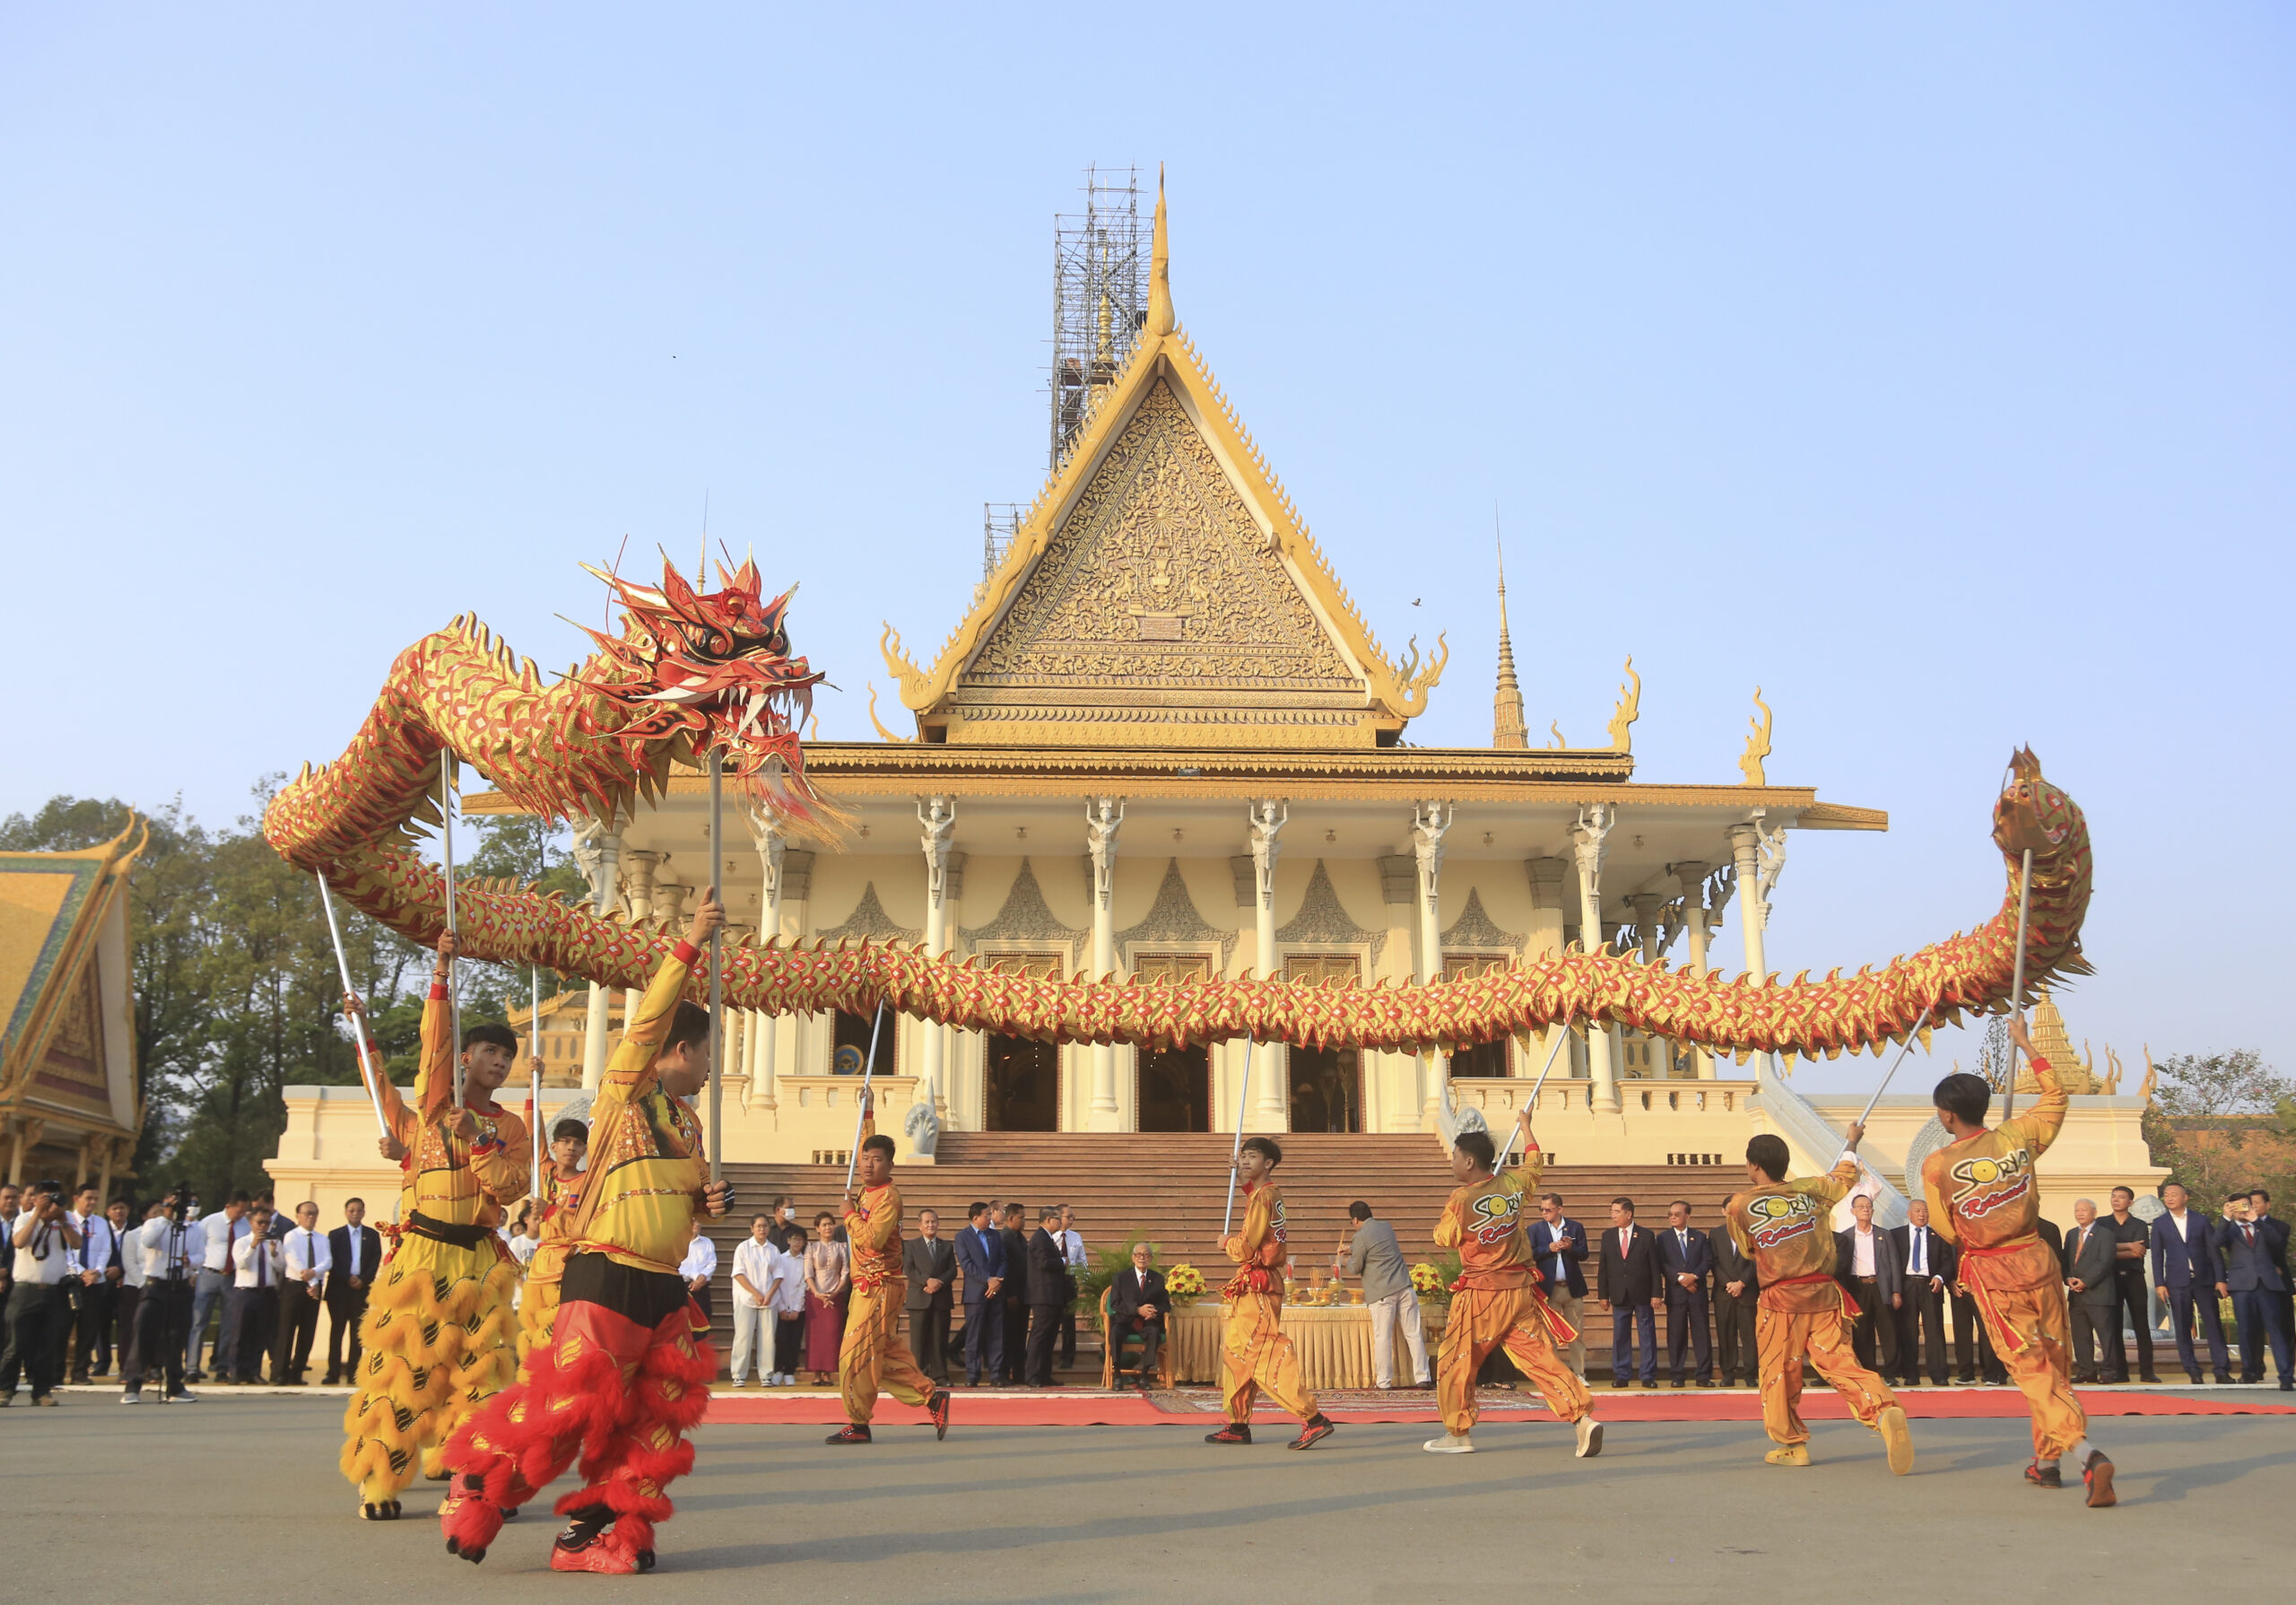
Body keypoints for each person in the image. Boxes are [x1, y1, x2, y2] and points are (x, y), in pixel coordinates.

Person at [437, 886, 734, 1574]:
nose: (715, 1064)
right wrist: (688, 942)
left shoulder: (688, 1125)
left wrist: (706, 1201)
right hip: (605, 1272)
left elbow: (678, 1208)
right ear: (679, 1048)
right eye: (711, 1050)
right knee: (570, 1411)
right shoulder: (625, 1094)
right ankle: (481, 1481)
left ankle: (593, 1535)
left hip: (663, 1285)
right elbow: (644, 1026)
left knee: (652, 1422)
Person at [338, 928, 531, 1522]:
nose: (498, 1063)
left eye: (507, 1058)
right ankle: (379, 1481)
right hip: (422, 1254)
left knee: (482, 1374)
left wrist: (478, 1142)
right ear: (467, 1057)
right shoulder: (432, 1106)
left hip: (479, 1258)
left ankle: (476, 1474)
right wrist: (440, 973)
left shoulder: (512, 1127)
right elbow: (427, 1052)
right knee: (407, 1371)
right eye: (489, 1054)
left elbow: (510, 1186)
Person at [1921, 1016, 2114, 1505]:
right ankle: (2047, 1464)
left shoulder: (1939, 1164)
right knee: (2053, 1362)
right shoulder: (2019, 1136)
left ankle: (2084, 1451)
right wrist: (2027, 1044)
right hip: (2039, 1258)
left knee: (2030, 1369)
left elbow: (1944, 1226)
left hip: (1993, 1269)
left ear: (1946, 1115)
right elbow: (2057, 1097)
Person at [1724, 1127, 1912, 1473]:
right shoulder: (1812, 1190)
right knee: (1841, 1362)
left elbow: (1749, 1250)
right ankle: (1883, 1410)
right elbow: (1845, 1173)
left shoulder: (1740, 1205)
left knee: (1778, 1371)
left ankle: (1792, 1444)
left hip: (1780, 1299)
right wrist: (1852, 1139)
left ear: (1753, 1166)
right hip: (1825, 1294)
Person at [1422, 1109, 1603, 1458]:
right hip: (1519, 1293)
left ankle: (1458, 1432)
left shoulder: (1461, 1199)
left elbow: (1444, 1237)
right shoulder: (1514, 1186)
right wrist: (1526, 1127)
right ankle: (1581, 1418)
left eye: (1456, 1158)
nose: (1452, 1163)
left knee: (1455, 1359)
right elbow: (1534, 1163)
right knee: (1540, 1358)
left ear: (1470, 1161)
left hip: (1481, 1295)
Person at [1204, 1136, 1336, 1449]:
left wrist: (1228, 1244)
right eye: (1243, 1156)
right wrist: (1242, 1180)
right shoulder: (1261, 1194)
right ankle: (1238, 1423)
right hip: (1252, 1284)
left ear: (1269, 1163)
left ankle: (1313, 1418)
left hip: (1259, 1284)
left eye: (1252, 1157)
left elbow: (1247, 1246)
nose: (1245, 1161)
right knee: (1236, 1354)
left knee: (1264, 1353)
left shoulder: (1265, 1196)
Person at [824, 1132, 951, 1443]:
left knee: (854, 1354)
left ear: (890, 1165)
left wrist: (848, 1215)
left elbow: (873, 1238)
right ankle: (932, 1397)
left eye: (876, 1160)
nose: (868, 1165)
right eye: (865, 1158)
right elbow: (864, 1133)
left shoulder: (888, 1198)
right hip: (865, 1286)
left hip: (879, 1286)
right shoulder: (868, 1191)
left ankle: (859, 1422)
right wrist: (867, 1107)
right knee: (882, 1355)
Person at [4, 1179, 83, 1406]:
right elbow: (19, 1242)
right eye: (46, 1198)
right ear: (35, 1199)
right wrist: (38, 1214)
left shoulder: (64, 1221)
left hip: (53, 1291)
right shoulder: (24, 1218)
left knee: (48, 1345)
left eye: (54, 1197)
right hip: (25, 1290)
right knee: (16, 1345)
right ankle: (5, 1390)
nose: (50, 1203)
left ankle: (41, 1392)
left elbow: (77, 1244)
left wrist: (63, 1219)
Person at [516, 1115, 587, 1362]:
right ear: (554, 1146)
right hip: (540, 1264)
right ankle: (532, 1384)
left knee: (561, 1331)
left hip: (569, 1263)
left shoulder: (587, 1182)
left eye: (577, 1143)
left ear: (584, 1150)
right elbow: (533, 1130)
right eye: (565, 1141)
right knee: (533, 1329)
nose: (571, 1147)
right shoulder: (544, 1171)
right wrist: (534, 1079)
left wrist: (549, 1211)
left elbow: (583, 1227)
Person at [1337, 1199, 1430, 1389]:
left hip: (1382, 1293)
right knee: (1414, 1334)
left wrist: (1343, 1259)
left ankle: (1384, 1381)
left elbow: (1355, 1267)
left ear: (1355, 1220)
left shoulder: (1360, 1237)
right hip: (1404, 1286)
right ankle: (1423, 1377)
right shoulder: (1386, 1227)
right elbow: (1377, 1247)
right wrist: (1352, 1248)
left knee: (1383, 1338)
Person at [121, 1187, 201, 1403]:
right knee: (144, 1333)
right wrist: (166, 1219)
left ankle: (175, 1385)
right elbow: (148, 1242)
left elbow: (201, 1254)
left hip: (181, 1285)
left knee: (177, 1336)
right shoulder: (153, 1224)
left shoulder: (194, 1229)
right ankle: (133, 1385)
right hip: (156, 1285)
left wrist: (190, 1262)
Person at [2149, 1181, 2231, 1384]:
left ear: (2185, 1198)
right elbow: (2157, 1256)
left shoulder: (2200, 1220)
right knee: (2183, 1327)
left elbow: (2214, 1252)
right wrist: (2160, 1283)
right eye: (2166, 1194)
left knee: (2213, 1325)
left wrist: (2220, 1279)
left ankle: (2221, 1370)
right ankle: (2193, 1369)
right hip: (2176, 1283)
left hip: (2203, 1280)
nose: (2169, 1198)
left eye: (2174, 1194)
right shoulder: (2160, 1223)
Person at [2218, 1190, 2293, 1389]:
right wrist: (2226, 1217)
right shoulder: (2230, 1229)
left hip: (2267, 1284)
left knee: (2276, 1331)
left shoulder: (2263, 1226)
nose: (2242, 1209)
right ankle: (2249, 1372)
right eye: (2236, 1206)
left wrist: (2256, 1220)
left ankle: (2286, 1376)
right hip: (2242, 1285)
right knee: (2246, 1331)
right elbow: (2215, 1243)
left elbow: (2278, 1243)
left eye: (2245, 1205)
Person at [1596, 1197, 1663, 1389]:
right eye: (1612, 1211)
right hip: (1619, 1293)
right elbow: (1604, 1267)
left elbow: (1654, 1267)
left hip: (1642, 1292)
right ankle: (1622, 1374)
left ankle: (1648, 1375)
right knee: (1620, 1336)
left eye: (1616, 1212)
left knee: (1647, 1334)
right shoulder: (1608, 1236)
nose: (1613, 1215)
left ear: (1629, 1214)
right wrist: (1603, 1295)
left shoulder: (1646, 1235)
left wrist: (1657, 1293)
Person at [1834, 1192, 1903, 1378]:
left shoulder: (1884, 1235)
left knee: (1888, 1330)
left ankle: (1891, 1374)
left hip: (1880, 1287)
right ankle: (1868, 1373)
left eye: (1869, 1206)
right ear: (1853, 1211)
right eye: (1862, 1206)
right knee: (1862, 1332)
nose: (1866, 1209)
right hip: (1857, 1288)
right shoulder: (1846, 1237)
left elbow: (1894, 1263)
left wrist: (1896, 1291)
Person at [1890, 1199, 1954, 1387]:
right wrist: (1895, 1289)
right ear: (1909, 1214)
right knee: (1908, 1330)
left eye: (1925, 1211)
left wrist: (1940, 1277)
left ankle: (1939, 1373)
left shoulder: (1938, 1236)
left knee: (1934, 1331)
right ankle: (1910, 1374)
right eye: (1917, 1211)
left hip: (1930, 1285)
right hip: (1906, 1285)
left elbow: (1947, 1262)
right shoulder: (1896, 1235)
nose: (1922, 1214)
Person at [188, 1191, 248, 1382]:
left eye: (244, 1211)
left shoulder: (246, 1225)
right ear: (229, 1206)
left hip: (232, 1278)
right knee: (198, 1322)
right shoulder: (209, 1221)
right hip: (208, 1274)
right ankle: (192, 1368)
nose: (241, 1215)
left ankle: (221, 1367)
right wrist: (195, 1273)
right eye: (239, 1211)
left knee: (228, 1325)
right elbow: (197, 1247)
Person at [1528, 1192, 1589, 1379]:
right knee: (1549, 1334)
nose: (1544, 1213)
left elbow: (1584, 1254)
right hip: (1548, 1289)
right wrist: (1548, 1249)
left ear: (1559, 1209)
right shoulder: (1535, 1230)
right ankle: (1555, 1374)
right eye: (1542, 1209)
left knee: (1576, 1332)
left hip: (1572, 1287)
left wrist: (1570, 1248)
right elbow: (1529, 1254)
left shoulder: (1575, 1227)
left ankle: (1579, 1373)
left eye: (1548, 1209)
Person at [67, 1182, 122, 1383]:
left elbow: (106, 1250)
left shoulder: (101, 1223)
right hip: (70, 1280)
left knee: (88, 1328)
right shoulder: (65, 1219)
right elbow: (65, 1252)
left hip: (94, 1283)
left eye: (95, 1199)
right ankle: (56, 1371)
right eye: (88, 1198)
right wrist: (81, 1272)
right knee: (62, 1327)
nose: (92, 1203)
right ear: (76, 1198)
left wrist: (96, 1272)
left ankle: (80, 1372)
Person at [2062, 1199, 2121, 1384]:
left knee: (2105, 1335)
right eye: (2077, 1210)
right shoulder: (2071, 1234)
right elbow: (2066, 1261)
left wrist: (2086, 1282)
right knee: (2080, 1335)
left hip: (2099, 1293)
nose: (2080, 1214)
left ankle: (2109, 1371)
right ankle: (2086, 1370)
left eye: (2084, 1210)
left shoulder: (2105, 1234)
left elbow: (2104, 1263)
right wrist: (2068, 1278)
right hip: (2076, 1294)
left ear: (2094, 1212)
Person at [2103, 1187, 2159, 1383]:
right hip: (2110, 1279)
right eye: (2113, 1196)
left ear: (2130, 1202)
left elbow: (2139, 1252)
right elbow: (2101, 1251)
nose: (2116, 1200)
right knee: (2115, 1325)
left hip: (2134, 1277)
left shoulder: (2139, 1225)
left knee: (2142, 1326)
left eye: (2121, 1197)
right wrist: (2127, 1247)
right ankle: (2121, 1371)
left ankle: (2147, 1371)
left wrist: (2111, 1251)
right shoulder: (2102, 1223)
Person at [325, 1198, 383, 1384]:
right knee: (337, 1331)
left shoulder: (372, 1235)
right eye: (351, 1210)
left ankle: (353, 1373)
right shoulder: (335, 1235)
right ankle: (333, 1372)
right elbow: (331, 1260)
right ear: (346, 1212)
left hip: (361, 1290)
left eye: (358, 1210)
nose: (355, 1213)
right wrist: (347, 1277)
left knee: (357, 1333)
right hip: (339, 1290)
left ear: (364, 1212)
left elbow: (375, 1259)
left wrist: (364, 1279)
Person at [1658, 1199, 1715, 1388]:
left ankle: (1704, 1375)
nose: (1672, 1217)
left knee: (1701, 1334)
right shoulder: (1663, 1238)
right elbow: (1663, 1264)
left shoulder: (1700, 1237)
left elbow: (1707, 1260)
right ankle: (1677, 1374)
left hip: (1697, 1292)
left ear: (1687, 1216)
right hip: (1676, 1294)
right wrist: (1682, 1280)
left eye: (1677, 1214)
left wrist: (1694, 1276)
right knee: (1676, 1335)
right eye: (1670, 1214)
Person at [276, 1199, 331, 1384]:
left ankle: (297, 1371)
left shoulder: (322, 1239)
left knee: (307, 1331)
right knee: (287, 1330)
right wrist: (312, 1281)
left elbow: (327, 1261)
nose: (310, 1216)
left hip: (314, 1287)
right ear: (298, 1216)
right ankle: (280, 1372)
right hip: (295, 1286)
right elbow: (293, 1261)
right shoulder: (291, 1236)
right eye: (307, 1213)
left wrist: (314, 1278)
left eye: (314, 1213)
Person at [902, 1208, 956, 1386]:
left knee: (939, 1340)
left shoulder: (947, 1246)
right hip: (919, 1298)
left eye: (933, 1221)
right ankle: (919, 1376)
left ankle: (940, 1376)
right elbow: (908, 1269)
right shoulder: (911, 1246)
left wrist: (939, 1282)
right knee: (918, 1342)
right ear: (920, 1226)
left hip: (941, 1299)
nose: (930, 1225)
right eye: (927, 1222)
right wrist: (927, 1281)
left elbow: (952, 1270)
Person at [230, 1204, 283, 1383]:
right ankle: (236, 1371)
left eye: (267, 1223)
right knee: (240, 1334)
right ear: (251, 1222)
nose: (263, 1227)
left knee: (261, 1335)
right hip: (246, 1292)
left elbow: (281, 1268)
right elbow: (241, 1264)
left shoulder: (273, 1243)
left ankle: (254, 1372)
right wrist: (253, 1246)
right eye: (260, 1222)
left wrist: (275, 1254)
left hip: (266, 1292)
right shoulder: (242, 1242)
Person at [955, 1200, 1005, 1386]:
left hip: (996, 1292)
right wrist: (988, 1279)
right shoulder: (962, 1237)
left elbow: (1003, 1259)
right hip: (976, 1295)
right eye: (987, 1215)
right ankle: (972, 1375)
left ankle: (996, 1374)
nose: (990, 1218)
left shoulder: (995, 1236)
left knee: (996, 1335)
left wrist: (997, 1279)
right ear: (975, 1218)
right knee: (974, 1336)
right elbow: (967, 1264)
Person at [728, 1214, 779, 1387]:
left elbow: (779, 1276)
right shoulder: (743, 1248)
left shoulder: (773, 1249)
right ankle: (738, 1374)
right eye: (758, 1226)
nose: (762, 1229)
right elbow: (738, 1274)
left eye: (765, 1226)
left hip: (769, 1300)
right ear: (752, 1228)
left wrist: (769, 1295)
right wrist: (756, 1293)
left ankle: (766, 1375)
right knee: (743, 1336)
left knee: (767, 1338)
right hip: (746, 1298)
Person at [1107, 1240, 1167, 1389]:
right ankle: (1118, 1375)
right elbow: (1115, 1303)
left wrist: (1154, 1311)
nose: (1142, 1258)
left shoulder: (1157, 1279)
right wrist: (1137, 1310)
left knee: (1154, 1333)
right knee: (1115, 1332)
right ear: (1133, 1258)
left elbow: (1165, 1304)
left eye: (1146, 1255)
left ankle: (1144, 1376)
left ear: (1151, 1259)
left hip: (1147, 1323)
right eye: (1139, 1254)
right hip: (1125, 1321)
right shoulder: (1121, 1277)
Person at [1023, 1206, 1072, 1388]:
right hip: (1043, 1295)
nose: (1060, 1222)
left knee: (1050, 1336)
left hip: (1053, 1295)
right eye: (1058, 1219)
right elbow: (1044, 1263)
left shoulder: (1047, 1238)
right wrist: (1062, 1261)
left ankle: (1044, 1374)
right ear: (1048, 1219)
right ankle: (1033, 1374)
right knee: (1040, 1335)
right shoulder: (1039, 1238)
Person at [2246, 1188, 2293, 1374]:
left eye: (2257, 1203)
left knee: (2283, 1328)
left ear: (2268, 1205)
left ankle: (2287, 1368)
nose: (2254, 1207)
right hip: (2252, 1284)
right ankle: (2256, 1368)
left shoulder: (2281, 1226)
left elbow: (2277, 1248)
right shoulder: (2241, 1227)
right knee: (2254, 1328)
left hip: (2279, 1284)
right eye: (2250, 1203)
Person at [1711, 1221, 1761, 1388]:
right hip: (1724, 1293)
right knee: (1725, 1335)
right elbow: (1714, 1262)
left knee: (1749, 1336)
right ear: (1724, 1212)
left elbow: (1756, 1260)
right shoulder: (1716, 1234)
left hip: (1747, 1292)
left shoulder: (1752, 1231)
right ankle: (1728, 1373)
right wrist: (1728, 1284)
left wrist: (1741, 1283)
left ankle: (1750, 1373)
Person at [804, 1211, 851, 1384]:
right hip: (815, 1297)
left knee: (832, 1334)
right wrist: (817, 1292)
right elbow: (808, 1273)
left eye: (830, 1224)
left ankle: (828, 1373)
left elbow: (845, 1272)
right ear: (817, 1228)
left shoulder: (841, 1247)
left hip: (835, 1296)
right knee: (816, 1337)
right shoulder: (812, 1247)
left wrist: (836, 1292)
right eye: (823, 1225)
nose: (827, 1227)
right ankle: (816, 1373)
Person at [768, 1225, 808, 1386]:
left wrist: (797, 1308)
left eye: (800, 1240)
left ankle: (790, 1371)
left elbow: (804, 1285)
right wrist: (782, 1307)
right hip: (781, 1305)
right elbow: (777, 1283)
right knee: (780, 1340)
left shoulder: (806, 1261)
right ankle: (778, 1370)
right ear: (788, 1241)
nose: (797, 1242)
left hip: (799, 1308)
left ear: (804, 1242)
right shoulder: (780, 1259)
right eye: (793, 1239)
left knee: (795, 1340)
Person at [111, 1199, 146, 1384]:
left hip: (152, 1286)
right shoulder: (132, 1235)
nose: (119, 1211)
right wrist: (141, 1283)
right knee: (127, 1328)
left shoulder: (164, 1233)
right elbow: (129, 1261)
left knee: (149, 1329)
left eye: (122, 1207)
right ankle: (125, 1368)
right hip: (131, 1285)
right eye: (115, 1208)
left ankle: (148, 1368)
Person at [997, 1202, 1031, 1384]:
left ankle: (1019, 1373)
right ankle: (1003, 1372)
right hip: (1010, 1296)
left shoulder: (1019, 1237)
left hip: (1023, 1294)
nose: (1024, 1221)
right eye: (1021, 1218)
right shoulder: (1004, 1238)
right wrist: (1010, 1294)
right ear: (1010, 1218)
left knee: (1019, 1336)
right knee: (1007, 1337)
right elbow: (1005, 1269)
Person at [1057, 1206, 1087, 1369]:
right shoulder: (1049, 1236)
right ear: (1059, 1217)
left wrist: (1084, 1278)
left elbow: (1082, 1260)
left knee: (1069, 1320)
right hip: (1052, 1281)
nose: (1071, 1219)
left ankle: (1068, 1356)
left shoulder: (1075, 1237)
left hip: (1070, 1281)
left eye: (1073, 1216)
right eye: (1069, 1216)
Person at [679, 1219, 718, 1326]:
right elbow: (679, 1266)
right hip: (683, 1286)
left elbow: (712, 1263)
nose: (697, 1224)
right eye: (694, 1221)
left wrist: (702, 1277)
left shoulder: (707, 1242)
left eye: (699, 1222)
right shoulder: (678, 1242)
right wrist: (696, 1278)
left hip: (702, 1286)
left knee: (704, 1317)